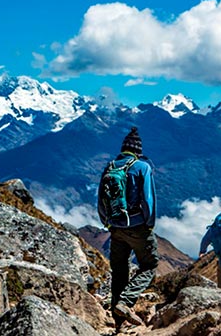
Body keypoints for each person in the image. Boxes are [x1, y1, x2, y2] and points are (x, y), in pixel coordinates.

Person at [98, 127, 158, 328]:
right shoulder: (142, 167)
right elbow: (148, 201)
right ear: (138, 151)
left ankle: (118, 323)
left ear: (123, 149)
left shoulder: (110, 166)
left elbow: (100, 200)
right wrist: (148, 224)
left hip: (115, 228)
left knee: (119, 272)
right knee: (149, 265)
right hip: (138, 226)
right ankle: (125, 302)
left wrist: (107, 223)